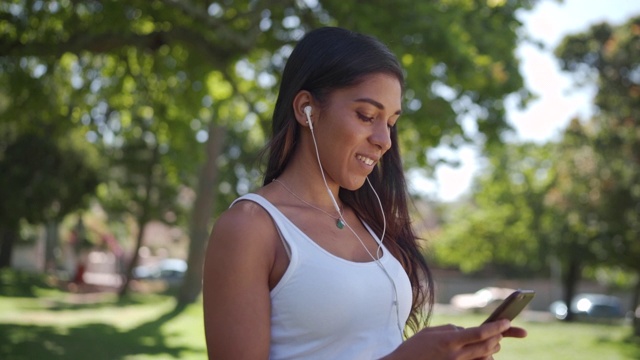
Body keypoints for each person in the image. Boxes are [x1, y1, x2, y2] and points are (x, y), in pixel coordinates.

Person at [203, 27, 527, 360]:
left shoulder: (373, 222)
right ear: (306, 110)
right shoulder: (250, 228)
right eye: (366, 116)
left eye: (390, 122)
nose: (384, 140)